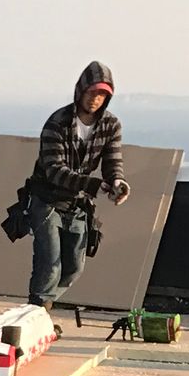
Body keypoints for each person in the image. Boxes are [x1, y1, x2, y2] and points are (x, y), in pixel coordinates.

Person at [26, 61, 129, 313]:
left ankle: (40, 307)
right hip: (47, 199)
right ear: (80, 91)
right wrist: (93, 184)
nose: (96, 99)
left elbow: (113, 161)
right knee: (50, 263)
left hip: (78, 204)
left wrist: (118, 182)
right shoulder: (57, 122)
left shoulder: (111, 125)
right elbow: (54, 170)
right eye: (93, 92)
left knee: (73, 267)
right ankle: (37, 311)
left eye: (103, 94)